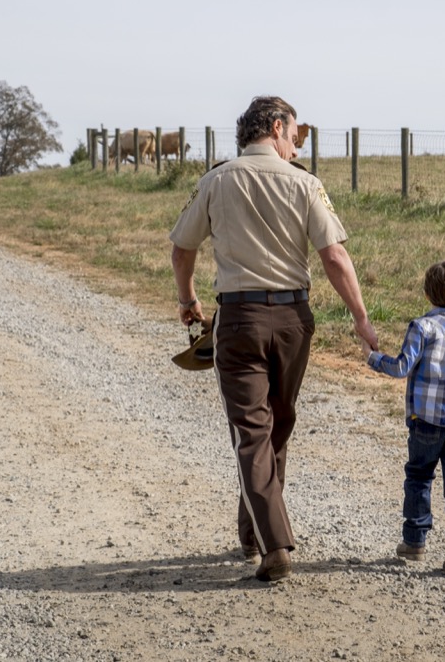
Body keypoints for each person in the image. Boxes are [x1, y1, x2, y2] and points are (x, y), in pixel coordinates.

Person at [170, 96, 377, 582]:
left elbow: (182, 247)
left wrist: (188, 299)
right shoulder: (306, 183)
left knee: (254, 432)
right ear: (277, 128)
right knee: (275, 426)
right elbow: (334, 258)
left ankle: (270, 543)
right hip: (293, 321)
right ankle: (262, 537)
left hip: (239, 320)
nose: (293, 144)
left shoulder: (216, 180)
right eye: (293, 135)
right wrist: (361, 319)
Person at [362, 260, 445, 577]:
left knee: (419, 477)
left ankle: (415, 541)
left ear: (426, 294)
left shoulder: (422, 327)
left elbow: (402, 367)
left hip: (425, 422)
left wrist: (374, 358)